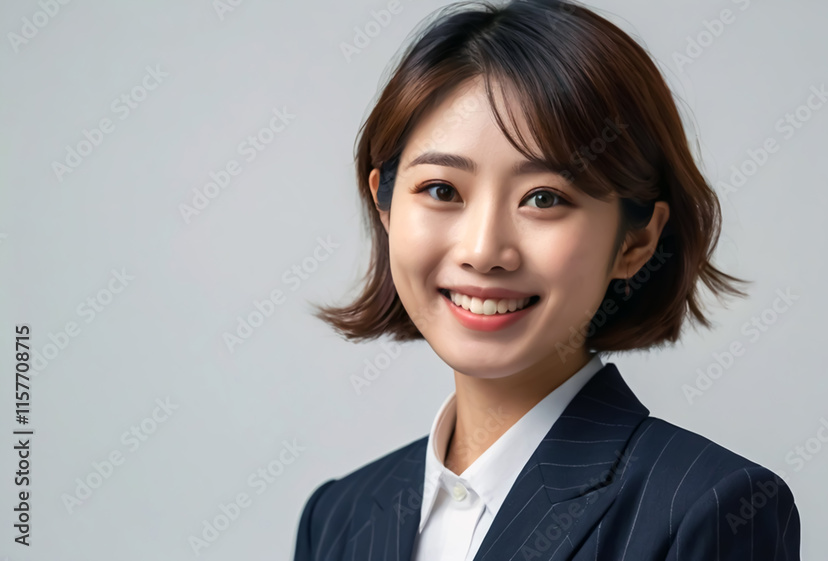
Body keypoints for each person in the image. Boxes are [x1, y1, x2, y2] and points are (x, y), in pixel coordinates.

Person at [294, 0, 801, 559]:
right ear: (386, 208)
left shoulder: (708, 508)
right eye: (441, 190)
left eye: (544, 198)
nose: (484, 250)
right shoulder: (337, 517)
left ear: (635, 242)